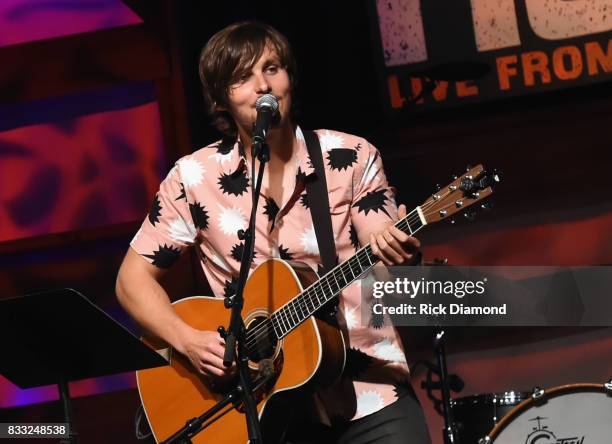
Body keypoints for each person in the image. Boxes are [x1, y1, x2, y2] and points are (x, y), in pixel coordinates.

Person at [116, 21, 431, 443]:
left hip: (371, 389)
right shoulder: (194, 179)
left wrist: (400, 255)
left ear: (289, 77)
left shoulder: (351, 157)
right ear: (220, 99)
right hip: (263, 407)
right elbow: (131, 281)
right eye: (242, 78)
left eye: (271, 68)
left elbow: (385, 250)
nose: (262, 86)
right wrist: (188, 341)